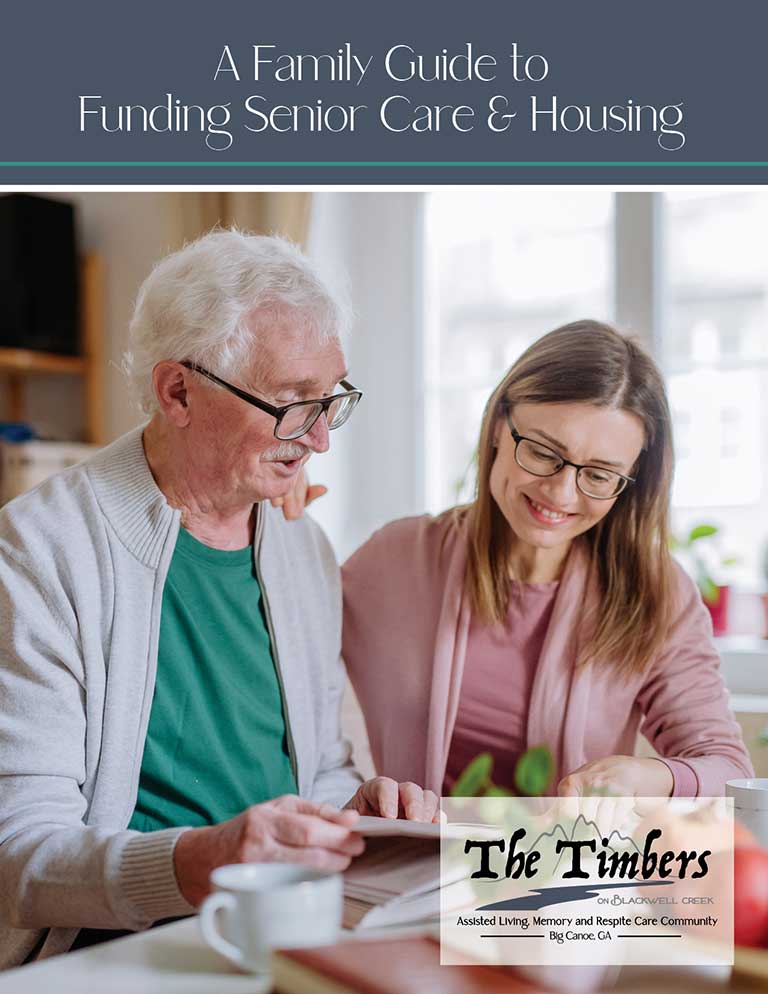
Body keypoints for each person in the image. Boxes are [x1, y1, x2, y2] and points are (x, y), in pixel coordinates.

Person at [0, 230, 437, 969]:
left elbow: (319, 768)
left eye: (330, 399)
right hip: (116, 952)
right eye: (292, 403)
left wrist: (351, 815)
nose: (320, 441)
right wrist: (197, 863)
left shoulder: (302, 548)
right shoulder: (39, 550)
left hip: (281, 931)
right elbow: (19, 856)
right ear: (178, 392)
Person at [340, 321, 753, 799]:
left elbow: (728, 769)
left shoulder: (654, 593)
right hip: (412, 850)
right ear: (500, 426)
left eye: (598, 475)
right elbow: (281, 659)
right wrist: (279, 513)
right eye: (541, 452)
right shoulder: (396, 560)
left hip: (573, 852)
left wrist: (649, 777)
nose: (560, 493)